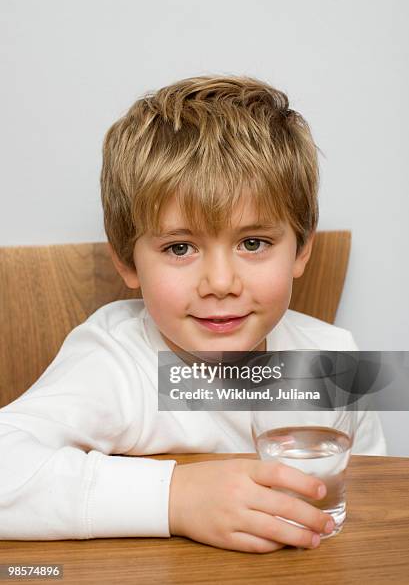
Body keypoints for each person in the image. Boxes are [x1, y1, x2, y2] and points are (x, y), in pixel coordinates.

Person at [0, 75, 386, 553]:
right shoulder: (114, 360)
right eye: (180, 248)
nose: (220, 283)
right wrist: (176, 498)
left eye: (253, 243)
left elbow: (378, 500)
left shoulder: (336, 360)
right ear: (127, 259)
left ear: (301, 249)